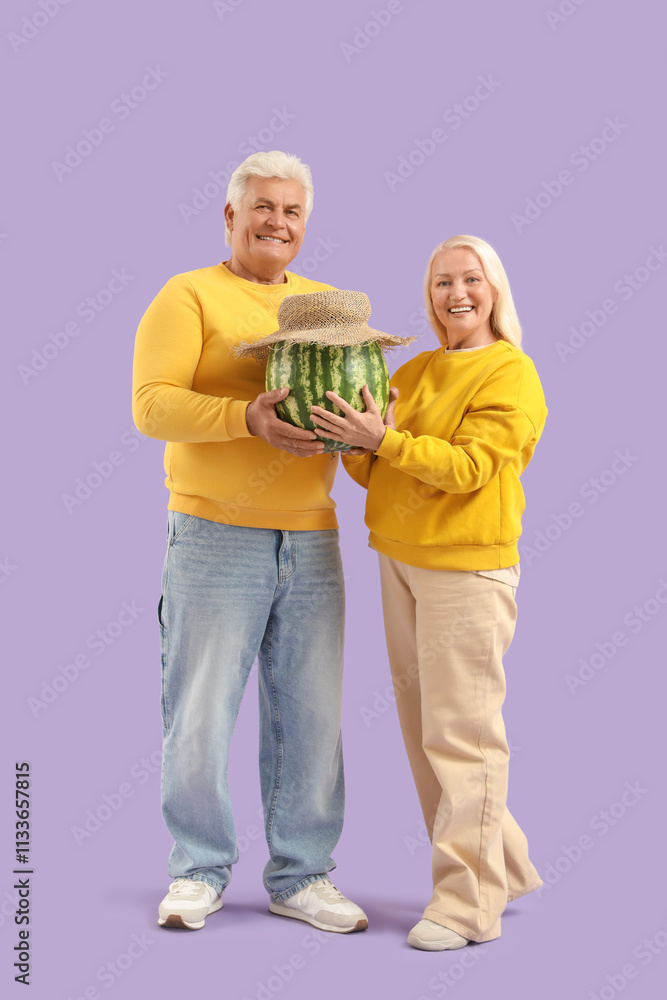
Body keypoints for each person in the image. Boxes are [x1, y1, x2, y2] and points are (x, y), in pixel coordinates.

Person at [132, 150, 367, 934]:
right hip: (211, 534)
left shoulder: (325, 308)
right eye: (262, 207)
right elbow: (152, 404)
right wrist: (245, 418)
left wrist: (371, 434)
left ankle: (302, 877)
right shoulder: (188, 294)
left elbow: (354, 421)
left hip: (310, 541)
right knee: (197, 710)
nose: (276, 222)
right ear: (230, 216)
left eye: (292, 211)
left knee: (312, 717)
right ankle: (196, 869)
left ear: (305, 225)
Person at [310, 234, 547, 950]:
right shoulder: (410, 372)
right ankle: (497, 868)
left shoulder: (511, 374)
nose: (456, 294)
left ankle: (466, 906)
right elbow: (378, 474)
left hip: (465, 572)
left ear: (495, 289)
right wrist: (355, 443)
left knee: (463, 737)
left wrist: (381, 440)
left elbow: (470, 468)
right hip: (398, 561)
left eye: (470, 279)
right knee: (425, 735)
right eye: (442, 283)